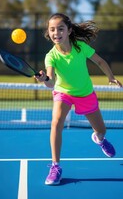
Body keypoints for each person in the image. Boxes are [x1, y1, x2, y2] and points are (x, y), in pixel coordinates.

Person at [35, 13, 122, 186]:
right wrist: (45, 79)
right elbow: (51, 83)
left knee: (101, 129)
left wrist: (111, 77)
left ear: (69, 30)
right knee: (56, 123)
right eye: (52, 29)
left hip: (85, 93)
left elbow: (100, 61)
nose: (56, 32)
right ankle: (55, 166)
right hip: (63, 92)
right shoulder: (50, 56)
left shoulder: (80, 46)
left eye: (60, 28)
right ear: (48, 32)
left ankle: (99, 139)